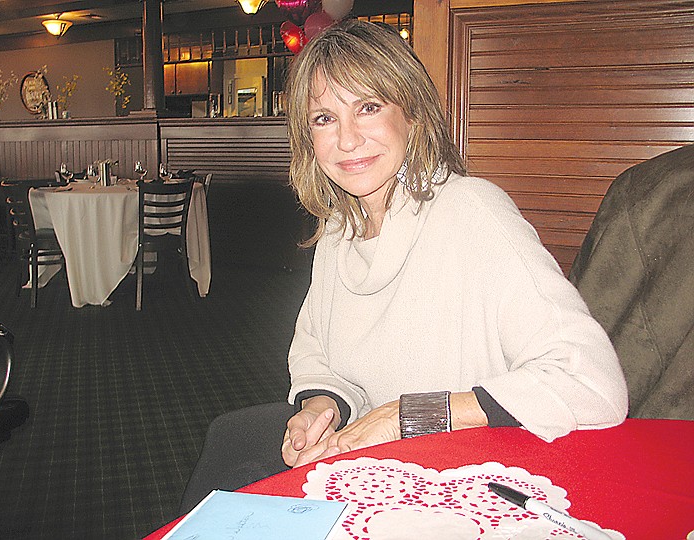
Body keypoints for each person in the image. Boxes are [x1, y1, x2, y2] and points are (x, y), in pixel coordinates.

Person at [179, 19, 628, 513]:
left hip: (471, 477)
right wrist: (321, 408)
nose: (347, 140)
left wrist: (406, 416)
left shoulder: (471, 211)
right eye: (324, 118)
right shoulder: (338, 231)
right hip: (380, 464)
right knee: (229, 443)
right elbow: (320, 356)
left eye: (367, 108)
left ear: (412, 116)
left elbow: (592, 382)